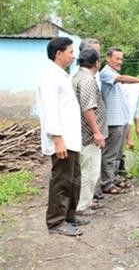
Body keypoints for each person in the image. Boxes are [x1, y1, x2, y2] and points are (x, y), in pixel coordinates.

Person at [36, 37, 88, 237]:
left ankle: (69, 216)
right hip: (62, 140)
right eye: (70, 51)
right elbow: (50, 111)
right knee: (61, 181)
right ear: (59, 53)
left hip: (71, 139)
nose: (73, 55)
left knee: (74, 180)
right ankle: (56, 222)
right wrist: (57, 139)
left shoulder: (62, 75)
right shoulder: (50, 77)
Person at [99, 47, 139, 194]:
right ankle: (106, 183)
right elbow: (122, 79)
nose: (119, 62)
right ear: (108, 58)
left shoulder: (114, 73)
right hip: (112, 121)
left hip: (121, 121)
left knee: (117, 154)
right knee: (109, 154)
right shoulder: (106, 73)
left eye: (121, 59)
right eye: (117, 59)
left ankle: (114, 178)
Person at [72, 48, 108, 215]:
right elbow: (88, 109)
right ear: (96, 63)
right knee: (90, 172)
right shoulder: (87, 80)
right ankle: (82, 206)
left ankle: (84, 201)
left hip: (79, 133)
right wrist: (97, 132)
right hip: (88, 135)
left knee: (85, 170)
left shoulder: (76, 76)